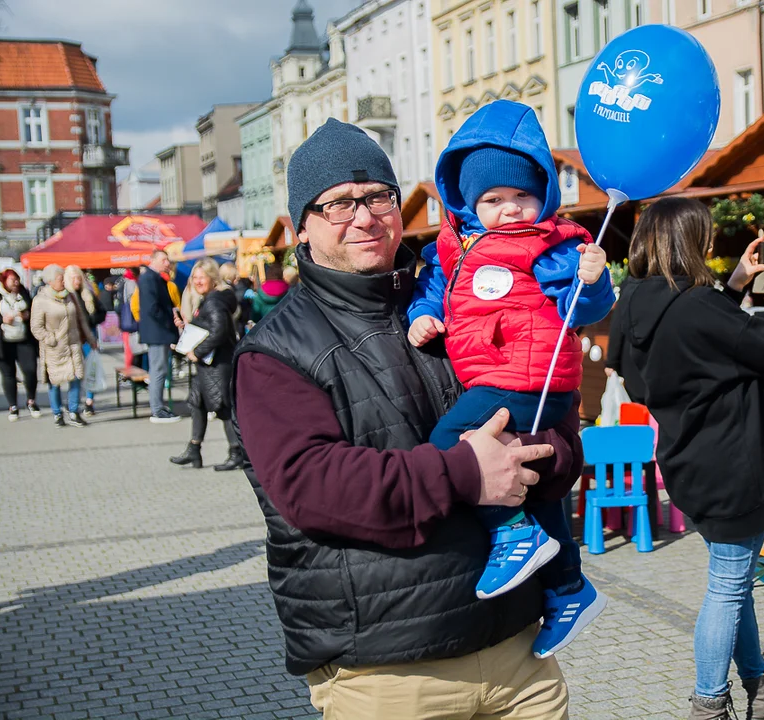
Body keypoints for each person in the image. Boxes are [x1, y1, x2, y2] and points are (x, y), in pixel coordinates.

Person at [233, 117, 582, 719]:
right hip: (392, 668)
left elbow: (558, 430)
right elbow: (313, 489)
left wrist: (548, 457)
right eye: (339, 204)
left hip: (518, 652)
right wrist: (465, 475)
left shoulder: (463, 297)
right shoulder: (276, 350)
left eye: (377, 197)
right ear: (301, 225)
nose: (365, 216)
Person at [407, 99, 614, 658]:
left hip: (529, 378)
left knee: (450, 445)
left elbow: (582, 306)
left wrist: (593, 283)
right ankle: (570, 590)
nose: (508, 209)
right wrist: (420, 317)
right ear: (469, 202)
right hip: (500, 376)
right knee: (537, 483)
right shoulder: (454, 248)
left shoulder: (549, 245)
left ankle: (511, 533)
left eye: (521, 196)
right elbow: (434, 295)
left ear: (542, 194)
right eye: (492, 200)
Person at [616, 198, 764, 720]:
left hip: (689, 459)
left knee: (736, 582)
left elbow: (696, 342)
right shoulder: (694, 304)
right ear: (687, 243)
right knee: (728, 589)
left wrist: (735, 284)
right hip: (734, 466)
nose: (710, 246)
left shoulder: (636, 299)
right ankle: (709, 705)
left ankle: (762, 690)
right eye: (704, 238)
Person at [169, 261, 242, 471]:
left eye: (202, 277)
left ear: (212, 278)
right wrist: (188, 327)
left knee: (224, 408)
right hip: (209, 364)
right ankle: (194, 449)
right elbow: (210, 327)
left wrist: (197, 351)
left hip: (217, 364)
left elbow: (219, 330)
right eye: (195, 278)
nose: (197, 282)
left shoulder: (214, 301)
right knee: (196, 402)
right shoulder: (210, 300)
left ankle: (236, 452)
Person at [30, 264, 95, 428]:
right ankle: (57, 413)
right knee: (55, 381)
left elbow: (81, 320)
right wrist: (50, 339)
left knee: (75, 379)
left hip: (73, 346)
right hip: (54, 348)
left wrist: (91, 338)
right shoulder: (41, 300)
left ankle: (74, 411)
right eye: (60, 279)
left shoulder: (70, 296)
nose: (63, 282)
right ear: (50, 281)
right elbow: (36, 327)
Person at [137, 250, 180, 423]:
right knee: (158, 371)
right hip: (157, 332)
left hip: (158, 331)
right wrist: (169, 321)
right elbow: (152, 308)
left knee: (160, 370)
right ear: (153, 260)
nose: (167, 263)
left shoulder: (155, 278)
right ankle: (157, 409)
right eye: (164, 259)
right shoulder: (149, 278)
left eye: (168, 260)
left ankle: (158, 407)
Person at [0, 269, 41, 420]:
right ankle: (13, 406)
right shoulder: (0, 295)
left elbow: (32, 309)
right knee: (8, 374)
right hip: (4, 342)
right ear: (4, 281)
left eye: (17, 279)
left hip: (24, 340)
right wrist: (2, 320)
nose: (16, 282)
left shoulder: (23, 292)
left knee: (30, 370)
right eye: (12, 280)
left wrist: (27, 315)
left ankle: (31, 400)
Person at [65, 266, 107, 416]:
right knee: (75, 371)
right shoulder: (65, 296)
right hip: (73, 338)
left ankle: (89, 401)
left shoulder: (87, 293)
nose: (77, 281)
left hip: (89, 336)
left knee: (90, 369)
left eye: (78, 278)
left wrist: (91, 320)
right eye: (73, 278)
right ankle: (73, 401)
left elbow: (102, 312)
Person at [117, 268, 140, 369]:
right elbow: (133, 303)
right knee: (133, 349)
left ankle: (129, 369)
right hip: (132, 320)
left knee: (128, 348)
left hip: (126, 319)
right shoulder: (131, 283)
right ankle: (131, 371)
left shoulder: (122, 283)